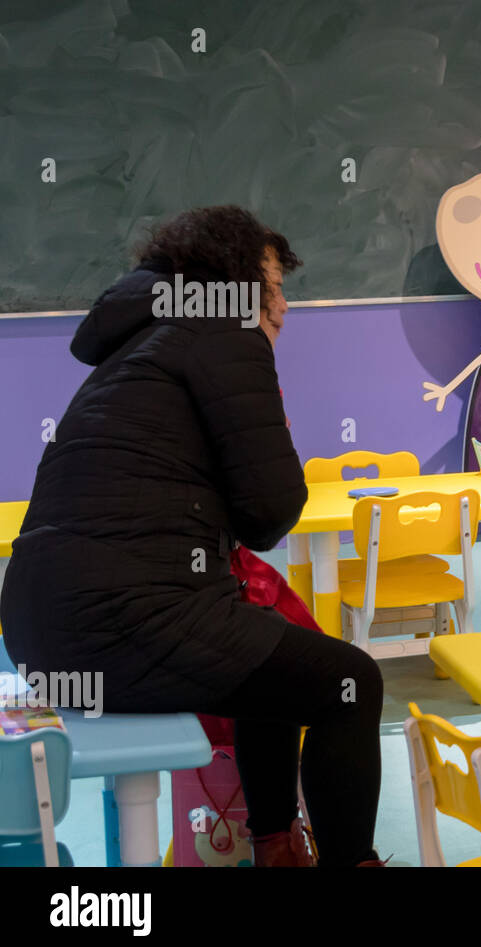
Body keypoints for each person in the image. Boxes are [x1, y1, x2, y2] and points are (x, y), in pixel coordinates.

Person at [0, 206, 386, 867]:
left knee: (271, 660)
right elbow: (271, 515)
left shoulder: (138, 346)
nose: (283, 307)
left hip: (40, 635)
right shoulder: (227, 333)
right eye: (274, 284)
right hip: (117, 624)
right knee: (349, 682)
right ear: (235, 280)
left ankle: (277, 848)